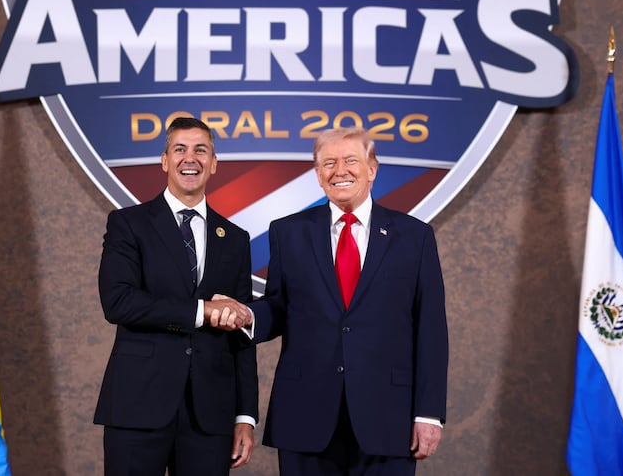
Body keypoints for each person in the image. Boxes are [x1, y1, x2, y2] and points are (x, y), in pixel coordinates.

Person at [216, 126, 448, 475]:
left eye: (351, 160)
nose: (340, 171)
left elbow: (431, 331)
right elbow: (280, 307)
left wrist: (428, 413)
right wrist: (247, 314)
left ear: (372, 169)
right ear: (318, 174)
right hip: (305, 414)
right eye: (328, 163)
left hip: (388, 418)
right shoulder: (288, 232)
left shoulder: (414, 237)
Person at [94, 117, 258, 476]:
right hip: (137, 405)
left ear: (214, 163)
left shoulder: (234, 238)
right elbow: (118, 301)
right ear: (165, 160)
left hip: (210, 414)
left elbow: (242, 334)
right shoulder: (128, 224)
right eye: (180, 149)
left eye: (201, 150)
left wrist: (245, 416)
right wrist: (202, 311)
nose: (191, 158)